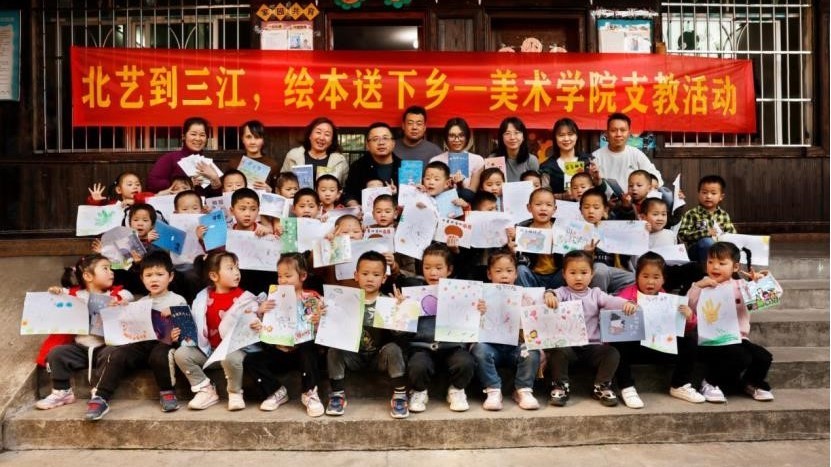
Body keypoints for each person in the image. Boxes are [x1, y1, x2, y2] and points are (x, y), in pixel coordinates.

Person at [85, 251, 186, 420]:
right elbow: (129, 331)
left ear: (171, 277)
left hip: (164, 345)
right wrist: (122, 310)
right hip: (142, 345)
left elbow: (185, 330)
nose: (154, 279)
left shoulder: (178, 300)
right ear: (142, 278)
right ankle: (101, 396)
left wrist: (176, 322)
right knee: (117, 354)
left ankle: (167, 392)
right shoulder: (141, 303)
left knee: (159, 354)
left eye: (159, 274)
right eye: (149, 275)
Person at [172, 251, 273, 411]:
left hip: (234, 352)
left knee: (230, 356)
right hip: (209, 352)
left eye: (237, 268)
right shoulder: (202, 298)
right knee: (181, 354)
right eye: (230, 268)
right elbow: (195, 326)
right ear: (214, 276)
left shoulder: (246, 298)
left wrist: (259, 314)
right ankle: (205, 389)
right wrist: (181, 332)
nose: (237, 272)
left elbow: (254, 324)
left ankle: (234, 392)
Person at [35, 255, 133, 411]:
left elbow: (129, 301)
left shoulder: (119, 294)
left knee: (112, 354)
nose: (111, 272)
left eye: (111, 268)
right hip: (80, 348)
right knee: (57, 353)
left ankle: (99, 391)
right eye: (105, 268)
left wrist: (123, 305)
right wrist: (56, 292)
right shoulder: (75, 296)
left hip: (105, 346)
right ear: (88, 276)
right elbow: (59, 295)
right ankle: (62, 391)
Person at [545, 250, 636, 407]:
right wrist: (549, 295)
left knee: (612, 353)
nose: (578, 277)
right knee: (557, 351)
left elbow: (612, 301)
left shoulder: (596, 294)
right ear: (564, 274)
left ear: (592, 274)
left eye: (584, 272)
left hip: (592, 347)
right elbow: (552, 294)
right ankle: (561, 386)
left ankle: (601, 386)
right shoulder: (563, 293)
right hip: (569, 347)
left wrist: (627, 304)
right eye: (572, 273)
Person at [613, 252, 704, 408]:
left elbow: (683, 329)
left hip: (659, 346)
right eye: (645, 276)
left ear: (663, 279)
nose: (650, 281)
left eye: (656, 277)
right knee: (617, 345)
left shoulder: (667, 298)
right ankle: (626, 387)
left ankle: (679, 385)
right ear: (637, 277)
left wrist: (689, 317)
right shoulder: (626, 295)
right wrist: (624, 307)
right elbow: (613, 326)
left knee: (689, 342)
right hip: (635, 348)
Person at [688, 242, 774, 403]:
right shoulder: (703, 285)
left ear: (735, 267)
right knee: (740, 356)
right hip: (710, 340)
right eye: (710, 262)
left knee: (763, 357)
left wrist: (760, 283)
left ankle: (751, 383)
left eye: (722, 263)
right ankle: (710, 382)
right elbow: (689, 307)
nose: (715, 267)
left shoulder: (741, 286)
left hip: (738, 338)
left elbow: (763, 301)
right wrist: (697, 286)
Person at [325, 251, 407, 418]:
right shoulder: (345, 301)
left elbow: (399, 335)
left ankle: (400, 395)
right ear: (356, 276)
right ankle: (337, 395)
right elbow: (333, 331)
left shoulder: (387, 302)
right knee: (334, 350)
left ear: (384, 278)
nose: (370, 279)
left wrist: (400, 313)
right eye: (365, 274)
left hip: (379, 357)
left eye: (376, 275)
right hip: (353, 355)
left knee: (393, 348)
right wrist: (325, 315)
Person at [244, 253, 326, 417]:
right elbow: (267, 329)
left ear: (303, 276)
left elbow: (323, 330)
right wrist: (260, 315)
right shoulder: (273, 299)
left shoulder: (313, 298)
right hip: (280, 351)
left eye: (288, 276)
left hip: (305, 354)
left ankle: (309, 392)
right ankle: (276, 391)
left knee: (308, 347)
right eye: (280, 276)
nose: (283, 280)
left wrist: (320, 321)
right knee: (251, 360)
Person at [402, 244, 475, 413]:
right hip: (423, 346)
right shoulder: (414, 290)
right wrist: (402, 309)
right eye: (427, 267)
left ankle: (456, 390)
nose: (433, 272)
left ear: (449, 270)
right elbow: (403, 325)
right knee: (418, 366)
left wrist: (478, 309)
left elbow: (470, 317)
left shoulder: (461, 291)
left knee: (466, 363)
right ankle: (419, 391)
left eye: (438, 268)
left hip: (452, 346)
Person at [470, 249, 541, 411]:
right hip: (491, 347)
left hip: (516, 347)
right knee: (479, 350)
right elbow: (468, 324)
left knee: (531, 350)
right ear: (489, 274)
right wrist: (477, 311)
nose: (504, 276)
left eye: (509, 271)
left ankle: (523, 390)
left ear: (516, 274)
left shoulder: (526, 296)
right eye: (498, 271)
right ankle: (493, 390)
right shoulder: (480, 295)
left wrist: (530, 310)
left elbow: (535, 326)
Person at [579, 188, 636, 294]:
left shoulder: (612, 226)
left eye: (596, 207)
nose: (591, 211)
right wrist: (586, 254)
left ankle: (612, 298)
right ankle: (597, 299)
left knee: (637, 279)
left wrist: (645, 228)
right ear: (581, 210)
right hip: (591, 272)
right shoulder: (575, 230)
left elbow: (627, 223)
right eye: (586, 207)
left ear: (605, 209)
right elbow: (571, 261)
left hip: (613, 270)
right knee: (600, 270)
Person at [591, 113, 663, 195]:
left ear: (629, 133)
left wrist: (649, 186)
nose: (618, 134)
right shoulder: (596, 156)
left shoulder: (636, 154)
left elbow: (656, 177)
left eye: (623, 130)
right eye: (613, 130)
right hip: (604, 201)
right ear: (606, 133)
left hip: (633, 201)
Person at [512, 187, 563, 290]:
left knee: (568, 270)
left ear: (554, 209)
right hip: (532, 275)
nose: (543, 208)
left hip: (556, 276)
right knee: (520, 270)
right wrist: (511, 250)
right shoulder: (521, 229)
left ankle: (559, 296)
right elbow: (516, 258)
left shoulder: (561, 228)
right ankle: (529, 297)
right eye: (538, 204)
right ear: (529, 207)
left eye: (548, 205)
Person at [678, 175, 737, 263]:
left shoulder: (724, 215)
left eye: (713, 193)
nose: (708, 196)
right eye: (704, 192)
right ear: (698, 194)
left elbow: (733, 235)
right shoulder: (692, 213)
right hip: (697, 252)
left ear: (721, 197)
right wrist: (705, 233)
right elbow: (682, 234)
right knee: (707, 242)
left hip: (719, 251)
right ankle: (706, 270)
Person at [147, 117, 216, 193]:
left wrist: (215, 180)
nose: (198, 138)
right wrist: (184, 184)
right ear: (183, 136)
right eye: (193, 134)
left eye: (202, 135)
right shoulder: (170, 158)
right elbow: (152, 182)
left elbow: (216, 195)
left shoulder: (207, 163)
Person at [342, 122, 402, 206]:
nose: (381, 142)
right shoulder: (358, 166)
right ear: (367, 145)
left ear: (393, 143)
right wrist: (355, 206)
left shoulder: (404, 167)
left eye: (385, 138)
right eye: (375, 139)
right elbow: (349, 193)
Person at [281, 117, 349, 185]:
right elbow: (281, 183)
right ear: (310, 135)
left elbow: (345, 186)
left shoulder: (340, 161)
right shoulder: (293, 156)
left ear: (331, 141)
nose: (322, 138)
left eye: (327, 134)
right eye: (318, 132)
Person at [539, 118, 594, 199]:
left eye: (570, 134)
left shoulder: (589, 160)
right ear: (555, 138)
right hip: (559, 206)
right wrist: (562, 196)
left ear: (577, 136)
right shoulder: (547, 167)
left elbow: (600, 190)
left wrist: (597, 180)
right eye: (561, 135)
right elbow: (543, 196)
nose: (566, 139)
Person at [429, 117, 485, 191]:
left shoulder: (477, 160)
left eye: (461, 135)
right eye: (452, 136)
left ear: (467, 137)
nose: (456, 140)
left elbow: (472, 192)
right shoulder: (435, 161)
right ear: (446, 137)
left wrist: (461, 185)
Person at [225, 120, 280, 192]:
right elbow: (225, 189)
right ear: (242, 139)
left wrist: (270, 190)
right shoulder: (234, 163)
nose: (252, 142)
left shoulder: (272, 165)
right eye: (248, 137)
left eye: (257, 137)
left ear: (263, 140)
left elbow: (279, 193)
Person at [489, 117, 539, 182]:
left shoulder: (531, 160)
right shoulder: (493, 159)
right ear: (501, 138)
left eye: (516, 133)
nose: (512, 137)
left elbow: (535, 185)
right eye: (507, 133)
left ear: (523, 137)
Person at [86, 172, 154, 207]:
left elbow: (152, 198)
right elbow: (95, 212)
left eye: (138, 184)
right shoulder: (115, 205)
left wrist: (134, 202)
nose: (135, 187)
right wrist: (96, 201)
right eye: (130, 184)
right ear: (119, 190)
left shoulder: (146, 201)